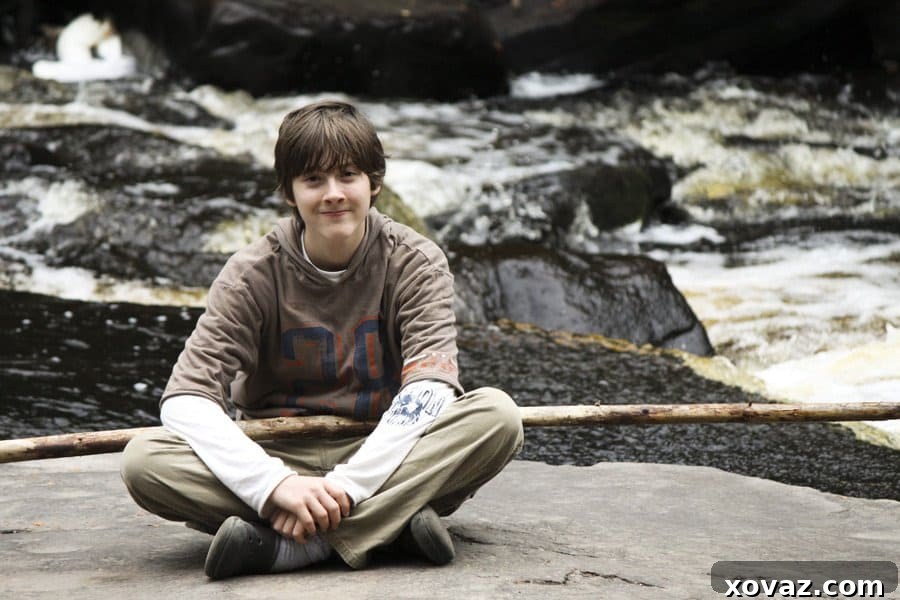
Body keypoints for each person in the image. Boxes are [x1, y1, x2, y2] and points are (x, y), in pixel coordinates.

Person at [120, 100, 523, 580]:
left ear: (374, 183)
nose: (333, 194)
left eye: (348, 175)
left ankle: (295, 547)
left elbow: (429, 389)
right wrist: (275, 485)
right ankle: (392, 527)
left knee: (497, 417)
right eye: (314, 180)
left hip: (385, 448)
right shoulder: (251, 274)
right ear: (290, 193)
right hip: (276, 450)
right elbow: (185, 400)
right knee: (144, 461)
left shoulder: (415, 261)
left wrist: (349, 486)